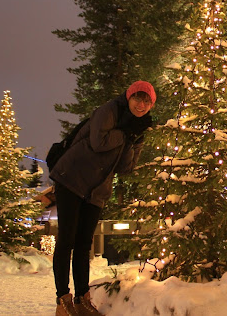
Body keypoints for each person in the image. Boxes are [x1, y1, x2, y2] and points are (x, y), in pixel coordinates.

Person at [49, 81, 156, 316]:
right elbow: (98, 143)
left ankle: (82, 299)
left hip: (96, 190)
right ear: (128, 97)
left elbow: (126, 167)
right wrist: (125, 133)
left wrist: (132, 139)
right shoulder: (109, 111)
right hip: (72, 178)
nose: (141, 105)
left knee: (83, 244)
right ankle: (62, 300)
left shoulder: (138, 128)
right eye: (138, 98)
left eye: (147, 101)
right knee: (66, 241)